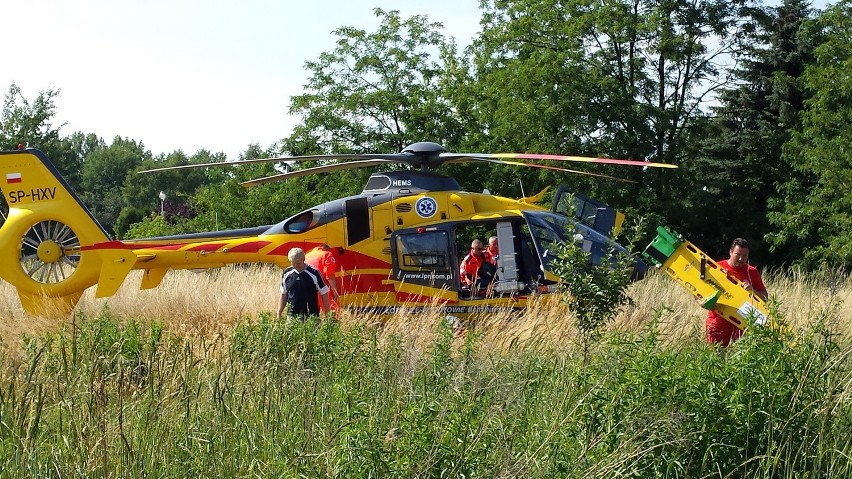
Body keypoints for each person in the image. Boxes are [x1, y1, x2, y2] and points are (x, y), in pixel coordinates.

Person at [707, 238, 768, 347]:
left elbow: (765, 297)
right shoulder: (716, 267)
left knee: (739, 359)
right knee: (715, 357)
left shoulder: (752, 272)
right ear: (730, 252)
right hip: (718, 321)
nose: (741, 258)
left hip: (742, 324)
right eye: (737, 254)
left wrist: (752, 291)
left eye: (744, 256)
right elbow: (698, 289)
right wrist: (701, 302)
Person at [277, 247, 331, 319]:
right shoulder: (287, 273)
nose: (296, 266)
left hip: (311, 317)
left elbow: (324, 294)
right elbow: (283, 294)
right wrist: (279, 314)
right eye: (293, 263)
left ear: (303, 259)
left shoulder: (314, 272)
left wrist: (328, 316)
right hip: (292, 317)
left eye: (298, 263)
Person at [305, 244, 341, 314]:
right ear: (326, 249)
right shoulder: (327, 254)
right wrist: (335, 291)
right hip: (321, 287)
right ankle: (331, 324)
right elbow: (329, 275)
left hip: (307, 288)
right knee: (332, 311)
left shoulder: (306, 256)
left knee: (313, 314)